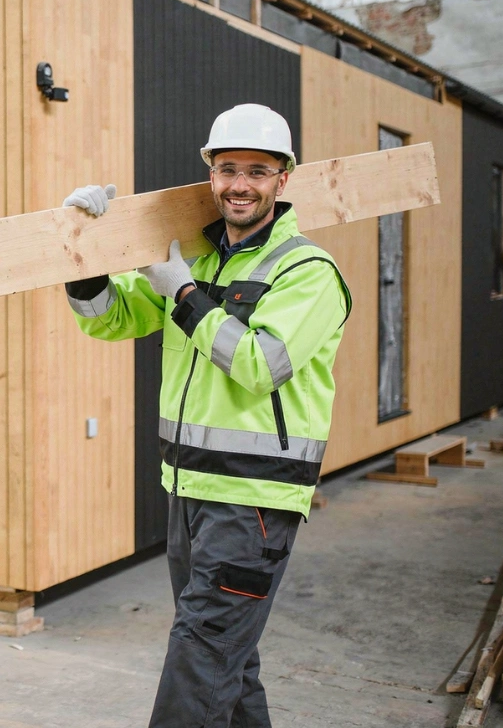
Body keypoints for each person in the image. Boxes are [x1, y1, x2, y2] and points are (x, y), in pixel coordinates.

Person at [62, 103, 351, 728]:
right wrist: (85, 252)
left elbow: (260, 364)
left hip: (255, 502)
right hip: (188, 491)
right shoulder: (196, 259)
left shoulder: (308, 271)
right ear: (210, 174)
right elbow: (111, 319)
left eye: (257, 170)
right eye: (227, 169)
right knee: (227, 658)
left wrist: (185, 295)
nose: (239, 184)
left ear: (283, 179)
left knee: (201, 656)